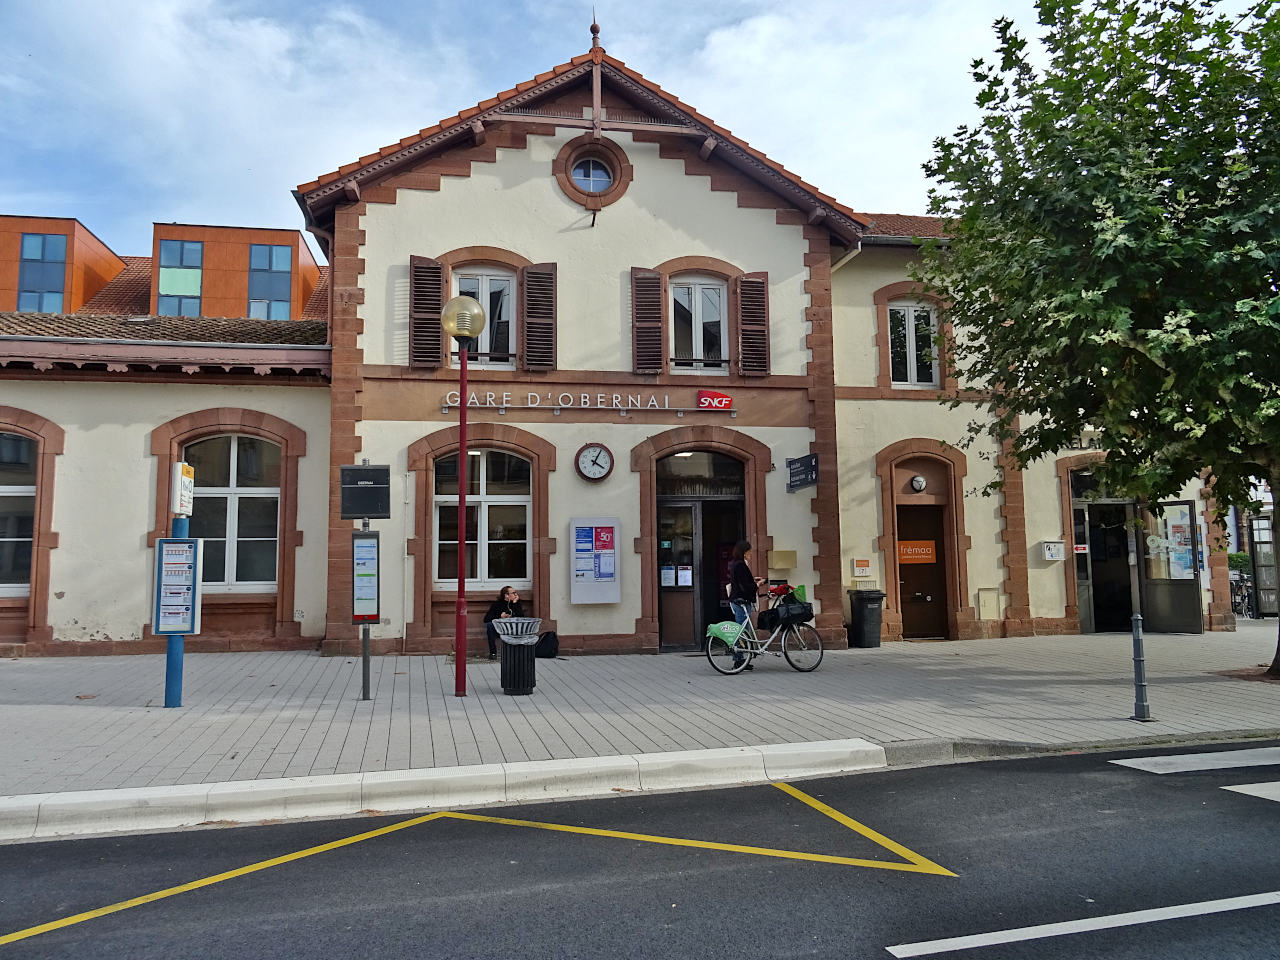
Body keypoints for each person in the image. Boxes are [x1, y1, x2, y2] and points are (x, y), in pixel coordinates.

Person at [726, 540, 766, 671]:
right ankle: (738, 659)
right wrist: (757, 585)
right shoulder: (740, 565)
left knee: (744, 630)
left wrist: (752, 580)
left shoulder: (736, 564)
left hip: (738, 600)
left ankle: (742, 659)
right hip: (741, 601)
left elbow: (740, 581)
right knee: (741, 631)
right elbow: (744, 587)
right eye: (749, 552)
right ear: (744, 552)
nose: (751, 554)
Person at [483, 585, 525, 659]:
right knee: (490, 625)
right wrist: (500, 616)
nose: (516, 595)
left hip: (512, 629)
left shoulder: (516, 603)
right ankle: (493, 653)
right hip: (500, 629)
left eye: (516, 593)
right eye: (513, 593)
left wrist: (515, 603)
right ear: (506, 595)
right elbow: (486, 619)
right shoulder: (497, 604)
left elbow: (521, 617)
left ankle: (517, 652)